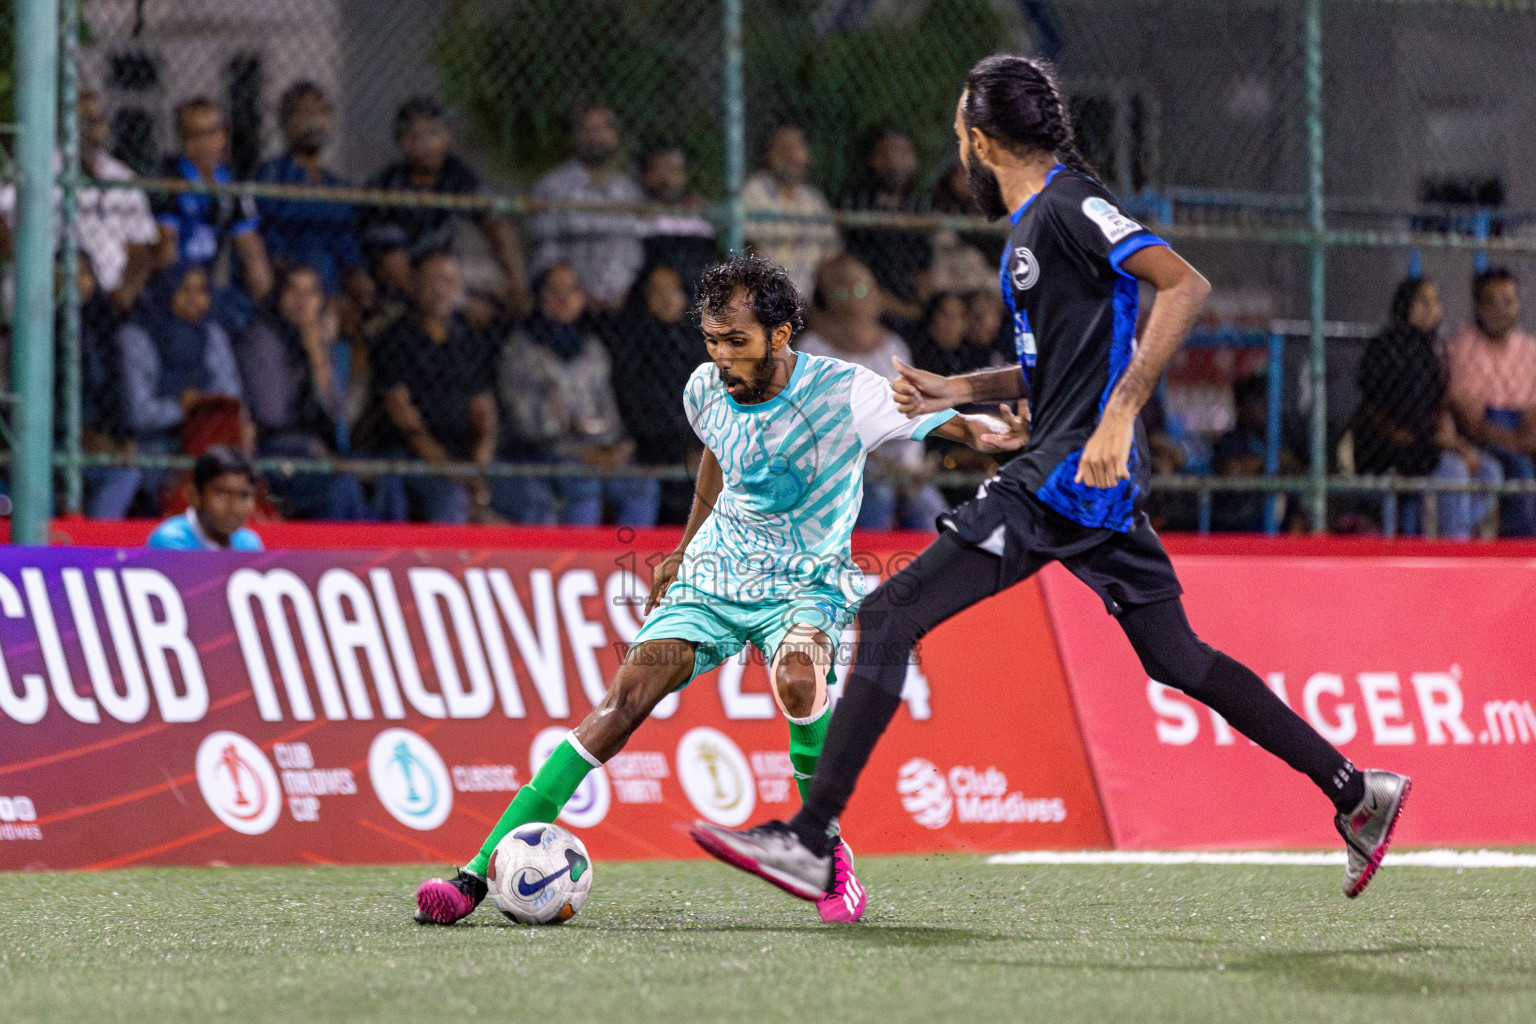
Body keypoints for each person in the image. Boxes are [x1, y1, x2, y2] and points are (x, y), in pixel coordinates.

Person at [691, 55, 1410, 906]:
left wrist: (1119, 414)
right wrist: (962, 390)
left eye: (962, 133)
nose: (958, 150)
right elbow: (1058, 366)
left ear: (983, 140)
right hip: (1078, 472)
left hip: (1069, 472)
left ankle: (811, 841)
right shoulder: (1036, 226)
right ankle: (1357, 793)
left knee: (889, 614)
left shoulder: (1069, 205)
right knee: (1177, 657)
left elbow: (1183, 285)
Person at [414, 253, 1028, 928]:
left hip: (805, 581)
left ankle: (824, 853)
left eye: (737, 341)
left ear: (781, 335)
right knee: (625, 699)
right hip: (716, 573)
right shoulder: (705, 387)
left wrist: (999, 433)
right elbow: (719, 451)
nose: (723, 357)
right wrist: (682, 548)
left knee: (798, 676)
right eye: (713, 340)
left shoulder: (846, 392)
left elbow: (955, 426)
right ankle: (475, 873)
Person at [492, 262, 660, 526]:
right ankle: (575, 564)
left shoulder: (592, 348)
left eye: (572, 290)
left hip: (595, 448)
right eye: (554, 290)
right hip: (541, 452)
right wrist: (582, 453)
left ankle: (632, 565)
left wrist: (615, 447)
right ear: (538, 296)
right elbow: (527, 427)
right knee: (583, 486)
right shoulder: (521, 349)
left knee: (641, 484)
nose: (563, 298)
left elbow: (608, 412)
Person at [797, 253, 948, 530]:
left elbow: (912, 410)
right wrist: (880, 465)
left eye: (862, 289)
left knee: (932, 512)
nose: (855, 298)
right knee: (878, 498)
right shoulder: (812, 349)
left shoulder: (893, 346)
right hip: (841, 470)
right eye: (843, 290)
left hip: (900, 467)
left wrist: (911, 466)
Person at [1354, 277, 1499, 539]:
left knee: (1490, 471)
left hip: (1428, 443)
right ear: (1405, 306)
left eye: (1436, 302)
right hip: (1391, 446)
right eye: (1423, 302)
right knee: (1454, 468)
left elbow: (1437, 410)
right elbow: (1394, 421)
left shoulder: (1434, 349)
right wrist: (1452, 446)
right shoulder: (1388, 347)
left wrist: (1452, 439)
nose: (1432, 309)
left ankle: (1457, 534)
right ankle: (1454, 548)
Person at [363, 252, 497, 524]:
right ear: (414, 286)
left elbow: (484, 413)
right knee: (451, 498)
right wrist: (457, 473)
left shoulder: (469, 340)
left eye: (449, 281)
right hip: (409, 454)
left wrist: (478, 467)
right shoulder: (395, 339)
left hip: (464, 454)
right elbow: (406, 422)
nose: (440, 289)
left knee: (527, 495)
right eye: (431, 280)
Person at [363, 97, 528, 313]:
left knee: (500, 301)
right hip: (397, 289)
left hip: (442, 279)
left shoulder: (454, 175)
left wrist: (517, 283)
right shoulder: (385, 186)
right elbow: (393, 267)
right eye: (416, 136)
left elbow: (496, 224)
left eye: (435, 133)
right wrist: (458, 301)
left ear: (447, 136)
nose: (428, 144)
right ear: (403, 143)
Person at [0, 89, 158, 315]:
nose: (94, 130)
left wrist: (126, 290)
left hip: (106, 299)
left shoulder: (120, 177)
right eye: (85, 122)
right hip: (43, 293)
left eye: (98, 121)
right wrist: (31, 268)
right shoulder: (37, 168)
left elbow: (141, 246)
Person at [235, 265, 370, 521]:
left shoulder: (323, 344)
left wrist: (317, 356)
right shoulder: (262, 338)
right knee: (341, 488)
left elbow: (339, 414)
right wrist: (312, 447)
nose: (302, 301)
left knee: (371, 482)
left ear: (321, 300)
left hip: (319, 452)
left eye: (310, 293)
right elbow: (271, 414)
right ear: (280, 295)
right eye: (293, 291)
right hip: (273, 451)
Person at [117, 263, 245, 516]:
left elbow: (230, 393)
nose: (194, 300)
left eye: (201, 291)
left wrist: (200, 405)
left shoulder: (211, 333)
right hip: (154, 444)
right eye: (184, 290)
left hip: (207, 439)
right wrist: (182, 408)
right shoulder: (137, 335)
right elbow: (139, 412)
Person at [606, 263, 709, 524]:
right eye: (656, 290)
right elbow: (634, 409)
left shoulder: (704, 345)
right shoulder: (632, 346)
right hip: (650, 447)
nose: (665, 298)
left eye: (671, 289)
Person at [153, 97, 273, 312]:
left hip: (209, 286)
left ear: (224, 137)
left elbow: (251, 250)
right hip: (174, 285)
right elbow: (165, 250)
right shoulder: (171, 178)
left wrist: (264, 298)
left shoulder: (231, 184)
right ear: (183, 140)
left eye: (211, 133)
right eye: (194, 135)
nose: (204, 143)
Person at [250, 82, 367, 301]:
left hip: (333, 283)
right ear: (286, 122)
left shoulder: (337, 187)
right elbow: (268, 239)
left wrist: (356, 273)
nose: (315, 121)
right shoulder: (271, 176)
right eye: (305, 113)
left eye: (322, 112)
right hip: (293, 284)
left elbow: (346, 240)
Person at [527, 104, 646, 309]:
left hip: (622, 304)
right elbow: (545, 249)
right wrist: (575, 294)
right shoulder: (552, 186)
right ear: (574, 138)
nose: (595, 137)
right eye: (587, 130)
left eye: (602, 129)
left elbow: (634, 250)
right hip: (567, 303)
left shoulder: (630, 191)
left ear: (614, 136)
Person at [1446, 267, 1536, 536]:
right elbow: (1473, 422)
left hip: (1522, 429)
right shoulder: (1466, 344)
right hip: (1487, 431)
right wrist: (1518, 445)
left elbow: (1532, 410)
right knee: (1520, 472)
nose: (1500, 309)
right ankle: (1521, 555)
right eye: (1491, 302)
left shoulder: (1528, 348)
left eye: (1508, 301)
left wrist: (1527, 441)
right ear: (1478, 305)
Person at [838, 128, 933, 322]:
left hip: (911, 297)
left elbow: (924, 265)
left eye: (904, 153)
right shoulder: (856, 203)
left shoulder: (919, 207)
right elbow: (853, 263)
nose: (896, 161)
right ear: (872, 159)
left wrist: (923, 300)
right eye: (887, 153)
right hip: (868, 293)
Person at [742, 123, 839, 298]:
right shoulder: (753, 191)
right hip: (766, 292)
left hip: (812, 295)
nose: (792, 155)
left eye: (797, 146)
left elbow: (829, 258)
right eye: (783, 148)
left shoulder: (814, 200)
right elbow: (749, 249)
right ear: (767, 155)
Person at [147, 446, 263, 550]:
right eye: (222, 494)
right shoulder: (169, 542)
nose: (234, 507)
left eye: (244, 495)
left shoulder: (249, 544)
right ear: (195, 496)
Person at [638, 141, 718, 292]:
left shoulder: (697, 212)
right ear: (646, 174)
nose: (667, 178)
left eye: (674, 170)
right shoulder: (639, 211)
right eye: (659, 170)